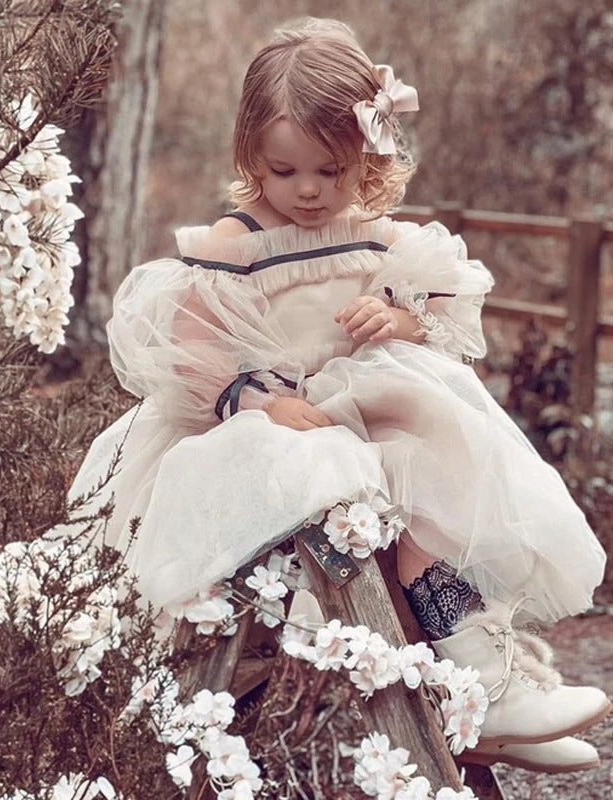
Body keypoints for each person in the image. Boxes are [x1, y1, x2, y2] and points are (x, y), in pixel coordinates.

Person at [69, 18, 609, 773]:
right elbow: (194, 354)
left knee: (433, 488)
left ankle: (483, 690)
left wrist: (396, 316)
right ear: (253, 154)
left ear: (366, 156)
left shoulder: (376, 237)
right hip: (267, 428)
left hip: (368, 419)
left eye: (332, 170)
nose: (310, 191)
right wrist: (254, 403)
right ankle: (470, 702)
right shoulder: (235, 242)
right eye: (284, 171)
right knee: (335, 483)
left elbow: (438, 312)